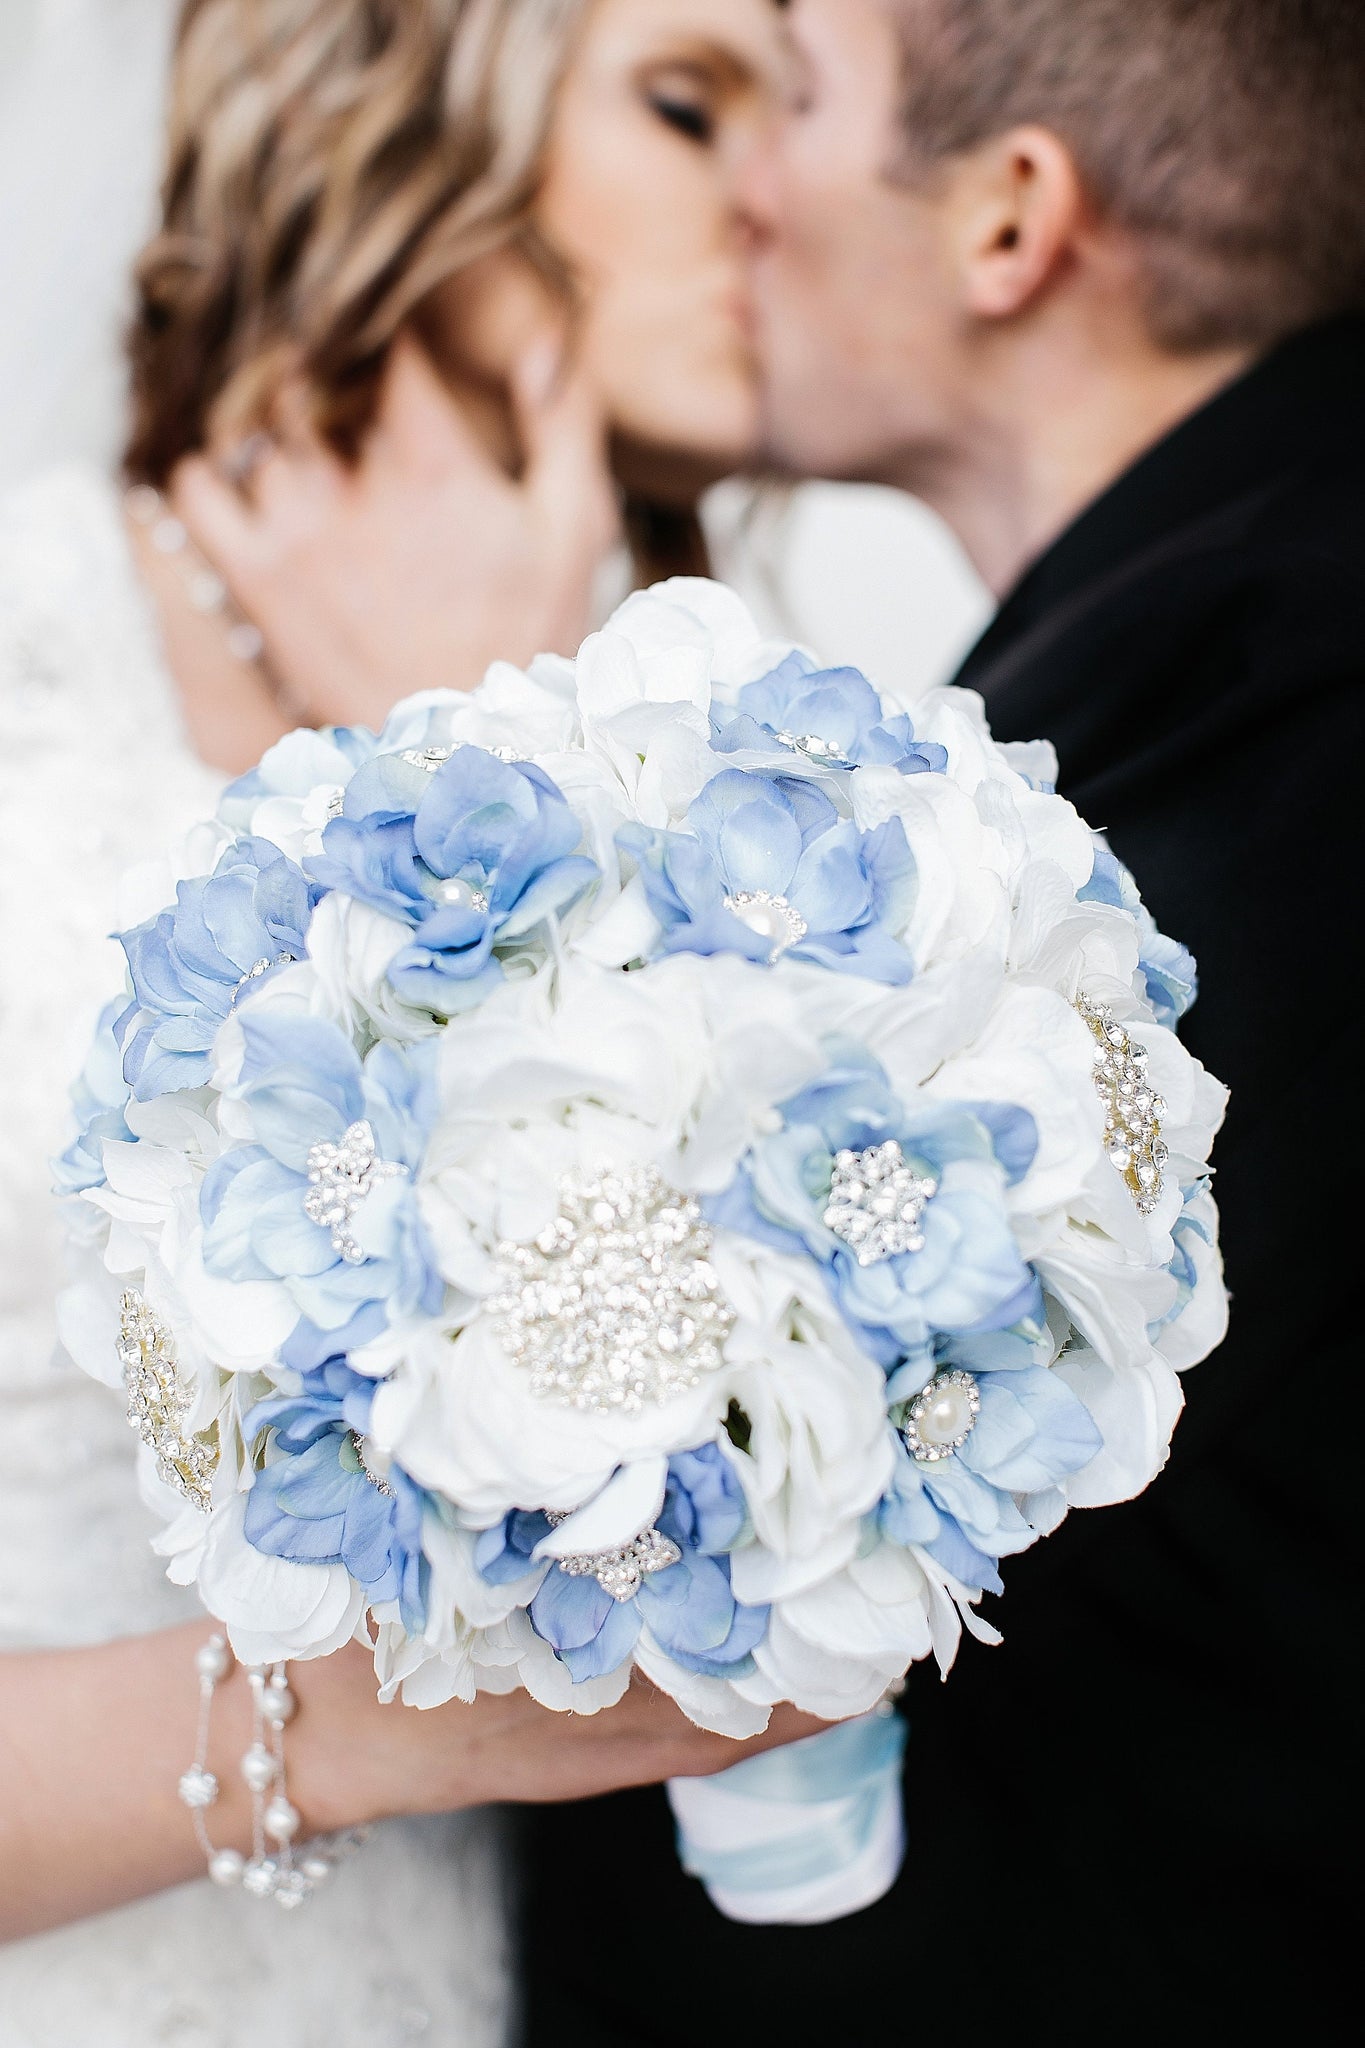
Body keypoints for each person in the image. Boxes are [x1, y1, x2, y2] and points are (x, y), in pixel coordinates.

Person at [518, 1, 1365, 2040]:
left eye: (791, 105)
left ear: (1006, 222)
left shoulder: (1282, 719)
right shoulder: (1225, 628)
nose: (740, 186)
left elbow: (806, 1515)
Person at [0, 2, 821, 2039]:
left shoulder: (736, 765)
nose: (779, 194)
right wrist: (355, 1729)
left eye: (797, 117)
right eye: (687, 103)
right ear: (404, 98)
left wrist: (487, 753)